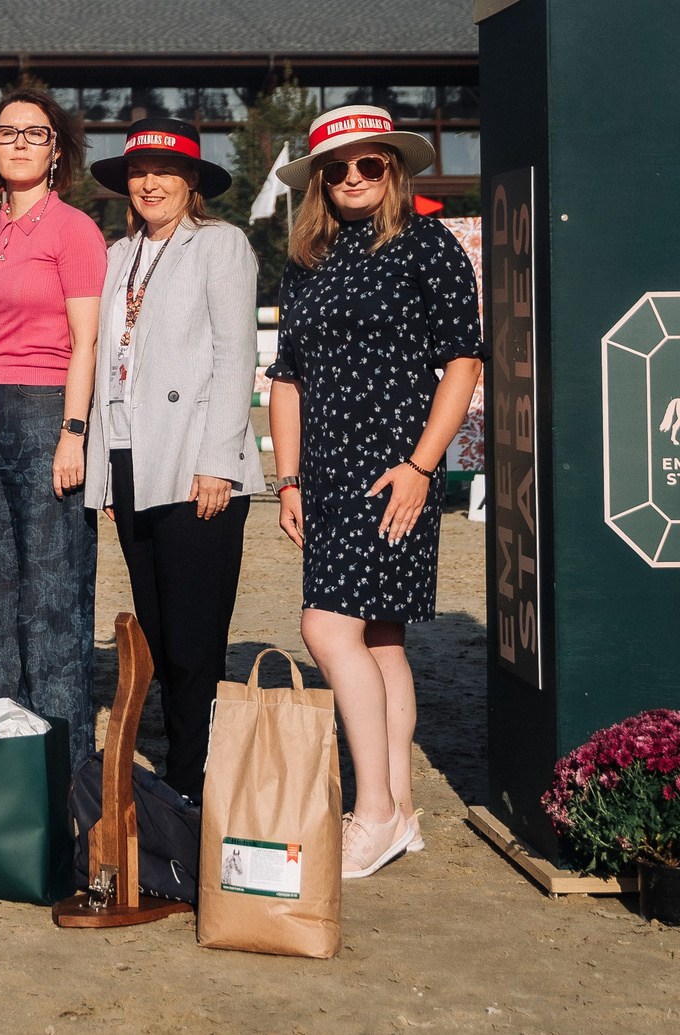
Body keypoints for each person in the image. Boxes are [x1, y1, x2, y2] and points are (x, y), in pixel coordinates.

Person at [266, 104, 483, 879]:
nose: (354, 177)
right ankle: (402, 808)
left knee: (327, 630)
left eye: (370, 164)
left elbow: (464, 362)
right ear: (320, 181)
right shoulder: (307, 260)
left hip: (395, 470)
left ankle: (375, 812)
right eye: (337, 168)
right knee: (380, 638)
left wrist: (424, 466)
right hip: (323, 474)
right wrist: (287, 476)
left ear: (394, 168)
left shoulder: (430, 246)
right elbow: (285, 377)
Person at [83, 117, 262, 802]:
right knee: (158, 629)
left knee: (193, 638)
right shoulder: (117, 253)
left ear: (193, 183)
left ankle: (195, 783)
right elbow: (107, 365)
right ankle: (184, 768)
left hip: (194, 461)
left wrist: (218, 459)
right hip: (131, 457)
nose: (150, 182)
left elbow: (233, 352)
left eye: (166, 170)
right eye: (138, 171)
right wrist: (101, 469)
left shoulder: (220, 245)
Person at [0, 86, 106, 744]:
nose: (18, 142)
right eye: (6, 132)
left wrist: (73, 431)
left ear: (56, 152)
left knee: (49, 590)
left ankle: (59, 755)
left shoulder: (76, 231)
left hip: (45, 414)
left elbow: (86, 341)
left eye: (34, 133)